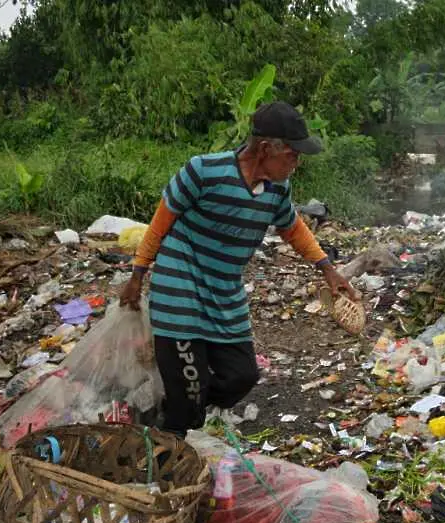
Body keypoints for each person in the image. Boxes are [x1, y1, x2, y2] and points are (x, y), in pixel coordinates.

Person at [120, 101, 358, 436]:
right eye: (292, 154)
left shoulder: (277, 189)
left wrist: (328, 269)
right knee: (189, 390)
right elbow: (160, 223)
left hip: (225, 292)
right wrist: (137, 276)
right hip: (181, 288)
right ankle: (166, 464)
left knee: (241, 376)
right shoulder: (203, 171)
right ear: (265, 149)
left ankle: (176, 412)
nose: (296, 163)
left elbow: (292, 228)